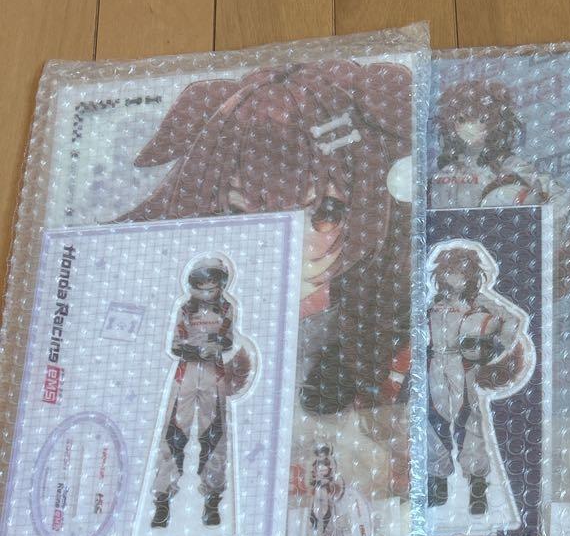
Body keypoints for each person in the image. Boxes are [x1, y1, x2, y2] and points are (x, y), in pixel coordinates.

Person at [121, 59, 416, 498]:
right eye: (240, 214)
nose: (287, 243)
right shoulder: (192, 303)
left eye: (325, 212)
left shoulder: (377, 312)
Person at [428, 78, 570, 293]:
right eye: (462, 119)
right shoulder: (445, 175)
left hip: (508, 261)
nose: (470, 127)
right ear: (451, 123)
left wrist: (537, 234)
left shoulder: (511, 166)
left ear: (495, 123)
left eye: (481, 119)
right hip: (461, 266)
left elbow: (560, 197)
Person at [426, 245, 531, 516]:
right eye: (449, 271)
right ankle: (437, 483)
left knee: (469, 424)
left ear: (470, 275)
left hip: (463, 365)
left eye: (461, 272)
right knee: (434, 423)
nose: (455, 277)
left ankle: (477, 488)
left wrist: (496, 347)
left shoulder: (478, 301)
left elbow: (512, 320)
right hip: (435, 364)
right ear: (441, 273)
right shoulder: (433, 301)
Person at [151, 257, 250, 528]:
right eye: (202, 284)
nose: (207, 290)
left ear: (220, 284)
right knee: (173, 434)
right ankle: (162, 499)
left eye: (212, 284)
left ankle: (212, 500)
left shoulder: (227, 308)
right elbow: (175, 344)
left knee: (214, 436)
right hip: (186, 373)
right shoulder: (185, 309)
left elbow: (227, 339)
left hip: (213, 374)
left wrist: (214, 346)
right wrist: (196, 349)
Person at [307, 444, 346, 536]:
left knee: (327, 520)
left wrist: (328, 483)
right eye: (320, 454)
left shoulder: (331, 465)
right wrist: (315, 482)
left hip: (326, 495)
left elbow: (334, 479)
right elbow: (311, 480)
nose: (322, 457)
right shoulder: (314, 465)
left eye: (323, 454)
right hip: (317, 495)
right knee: (313, 519)